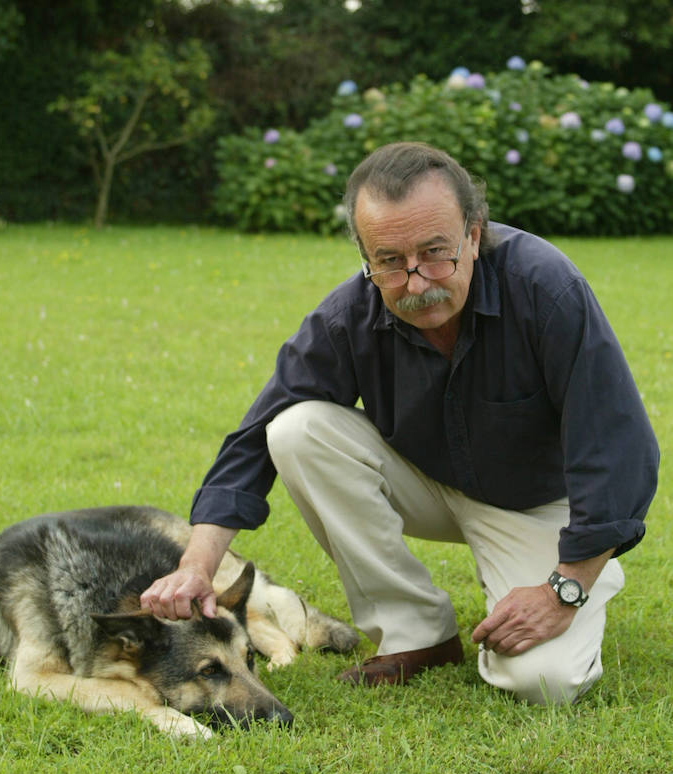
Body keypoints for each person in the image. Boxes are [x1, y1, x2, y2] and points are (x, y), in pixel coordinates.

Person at [141, 142, 659, 704]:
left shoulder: (546, 290)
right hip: (433, 483)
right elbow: (255, 437)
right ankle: (418, 635)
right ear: (366, 257)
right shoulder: (350, 314)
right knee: (296, 429)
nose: (416, 282)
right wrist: (197, 566)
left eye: (436, 251)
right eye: (389, 260)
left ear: (475, 234)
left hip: (543, 506)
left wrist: (567, 586)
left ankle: (580, 577)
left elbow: (617, 446)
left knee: (543, 681)